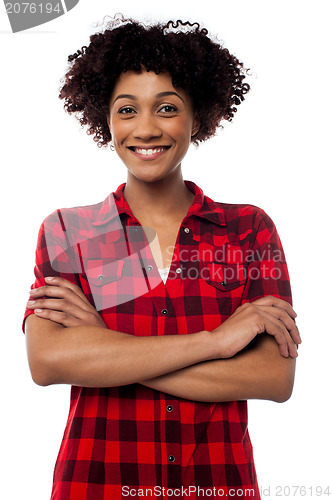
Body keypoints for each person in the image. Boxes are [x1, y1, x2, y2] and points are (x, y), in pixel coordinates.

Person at [23, 15, 301, 500]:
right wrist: (217, 342)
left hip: (218, 485)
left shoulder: (249, 229)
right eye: (126, 110)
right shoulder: (69, 231)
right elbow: (48, 361)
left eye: (167, 108)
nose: (146, 129)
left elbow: (274, 377)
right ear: (104, 118)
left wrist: (107, 348)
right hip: (98, 485)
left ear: (198, 116)